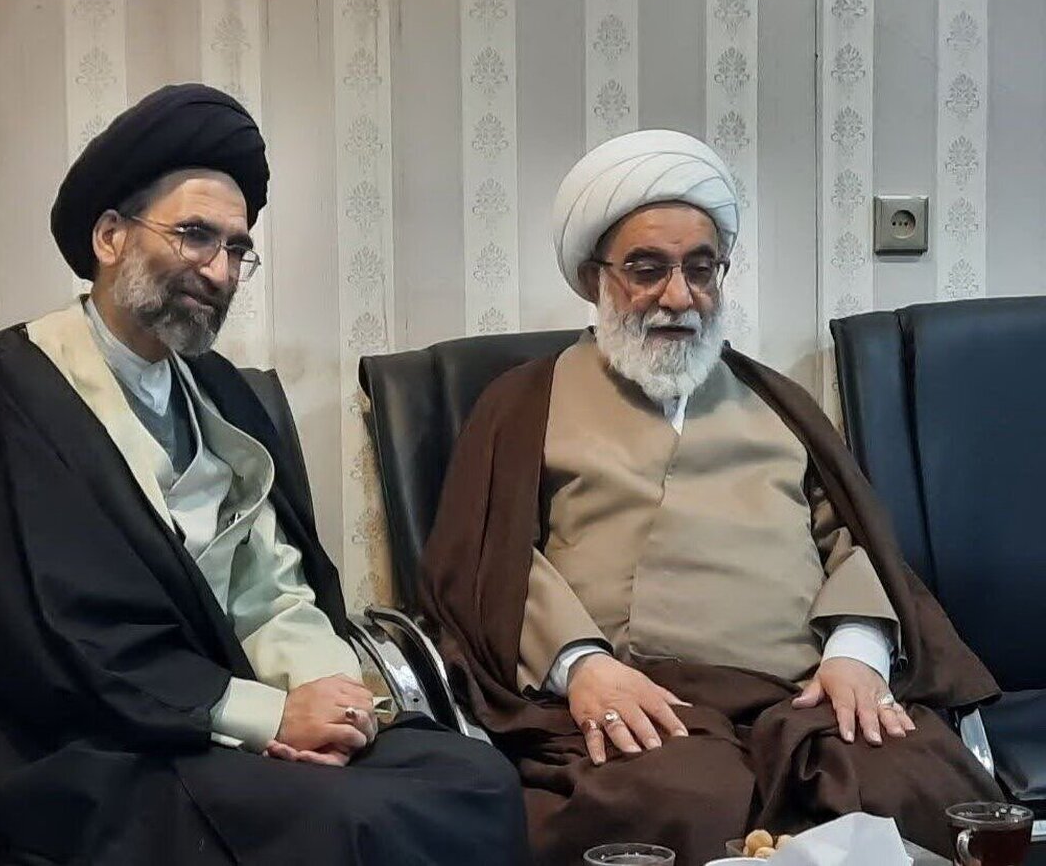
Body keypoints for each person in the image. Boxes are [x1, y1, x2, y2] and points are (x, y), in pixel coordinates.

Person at [0, 83, 529, 866]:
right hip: (90, 746)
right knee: (350, 821)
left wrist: (330, 698)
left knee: (477, 777)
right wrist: (263, 717)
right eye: (196, 235)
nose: (220, 270)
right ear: (110, 236)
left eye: (237, 249)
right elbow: (41, 638)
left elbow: (270, 584)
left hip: (233, 711)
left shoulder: (221, 391)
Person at [417, 129, 1003, 866]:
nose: (678, 296)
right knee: (680, 799)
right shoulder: (524, 402)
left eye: (701, 268)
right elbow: (490, 561)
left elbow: (856, 545)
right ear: (595, 278)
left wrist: (856, 653)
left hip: (802, 696)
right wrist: (583, 666)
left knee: (911, 778)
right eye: (646, 269)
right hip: (637, 696)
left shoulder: (778, 401)